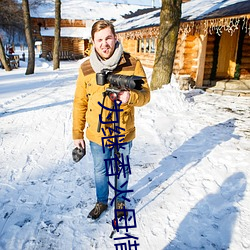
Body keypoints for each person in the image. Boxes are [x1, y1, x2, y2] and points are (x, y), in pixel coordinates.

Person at [72, 20, 150, 220]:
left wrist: (130, 97)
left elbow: (146, 95)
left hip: (123, 131)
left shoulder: (132, 63)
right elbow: (80, 102)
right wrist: (77, 134)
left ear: (115, 38)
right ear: (93, 42)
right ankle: (101, 201)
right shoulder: (86, 68)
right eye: (99, 40)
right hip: (97, 133)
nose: (104, 43)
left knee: (122, 169)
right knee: (100, 170)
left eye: (108, 38)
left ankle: (121, 201)